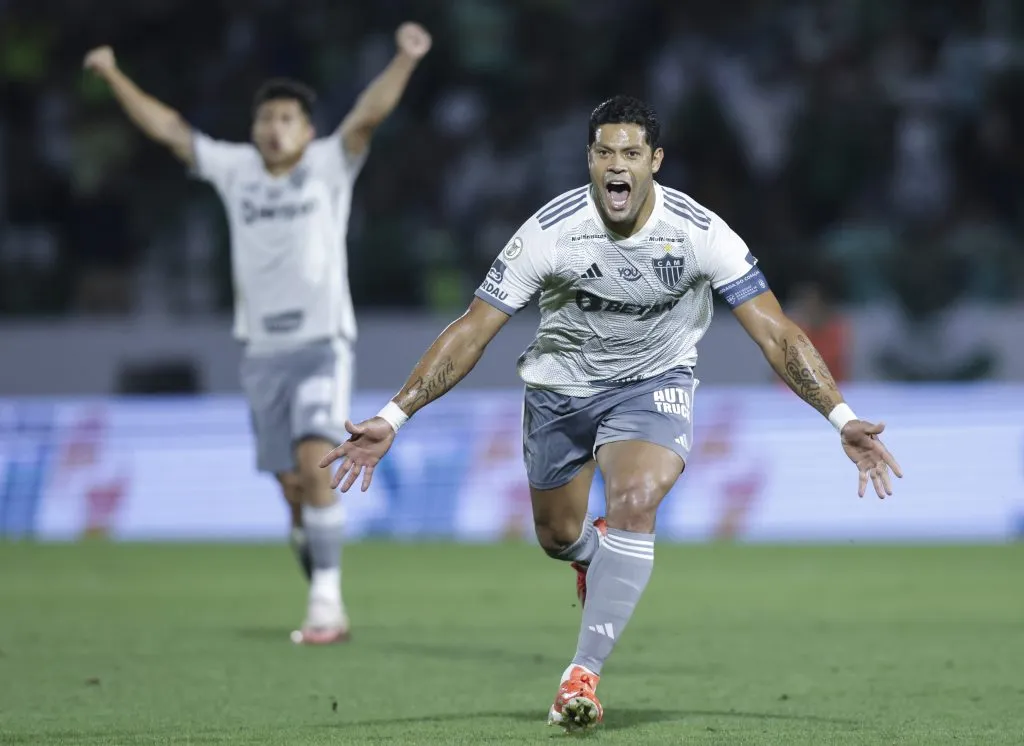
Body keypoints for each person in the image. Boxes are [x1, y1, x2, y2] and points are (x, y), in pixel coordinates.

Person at [319, 95, 903, 729]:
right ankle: (591, 554)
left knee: (637, 500)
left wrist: (841, 416)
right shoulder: (551, 232)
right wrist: (394, 416)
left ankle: (582, 675)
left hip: (654, 383)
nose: (616, 165)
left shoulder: (699, 232)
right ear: (590, 160)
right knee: (557, 537)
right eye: (604, 153)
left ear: (655, 161)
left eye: (630, 153)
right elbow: (472, 330)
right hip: (559, 390)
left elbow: (777, 333)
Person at [83, 22, 433, 645]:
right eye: (267, 118)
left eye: (287, 119)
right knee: (292, 485)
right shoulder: (237, 169)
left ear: (307, 130)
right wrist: (112, 75)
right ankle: (312, 552)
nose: (275, 128)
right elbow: (170, 129)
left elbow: (368, 114)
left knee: (314, 459)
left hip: (322, 343)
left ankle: (327, 607)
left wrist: (404, 58)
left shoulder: (329, 164)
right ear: (253, 129)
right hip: (261, 351)